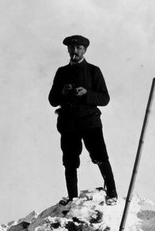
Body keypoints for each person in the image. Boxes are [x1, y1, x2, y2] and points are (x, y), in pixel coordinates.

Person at [48, 35, 118, 205]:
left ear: (85, 50)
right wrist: (62, 93)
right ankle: (72, 198)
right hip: (68, 124)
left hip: (90, 122)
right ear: (68, 50)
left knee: (100, 156)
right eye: (72, 48)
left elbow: (105, 99)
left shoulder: (94, 71)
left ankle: (112, 194)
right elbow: (52, 100)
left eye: (79, 48)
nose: (75, 51)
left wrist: (87, 94)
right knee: (69, 162)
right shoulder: (61, 72)